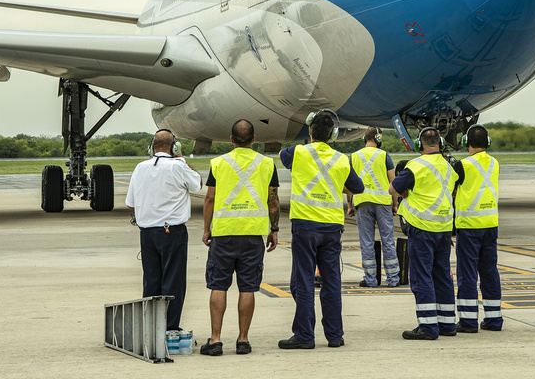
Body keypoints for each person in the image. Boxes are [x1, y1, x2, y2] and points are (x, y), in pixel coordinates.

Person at [276, 110, 364, 350]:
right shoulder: (342, 159)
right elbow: (358, 187)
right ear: (333, 134)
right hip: (332, 228)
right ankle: (335, 335)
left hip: (305, 225)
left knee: (303, 281)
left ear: (310, 131)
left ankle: (305, 335)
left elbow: (282, 155)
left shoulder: (299, 152)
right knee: (332, 281)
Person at [199, 120, 280, 356]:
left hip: (224, 233)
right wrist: (274, 230)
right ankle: (243, 340)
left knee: (218, 285)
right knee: (248, 287)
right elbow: (272, 200)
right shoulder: (267, 163)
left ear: (231, 140)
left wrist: (207, 229)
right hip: (254, 234)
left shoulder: (218, 163)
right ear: (254, 139)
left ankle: (215, 340)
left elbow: (210, 199)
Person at [125, 129, 202, 332]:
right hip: (171, 231)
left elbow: (130, 203)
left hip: (147, 232)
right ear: (174, 147)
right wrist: (182, 159)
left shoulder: (140, 167)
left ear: (152, 147)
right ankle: (169, 327)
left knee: (151, 281)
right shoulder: (178, 166)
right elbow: (197, 184)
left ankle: (150, 328)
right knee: (173, 281)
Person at [389, 127, 460, 340]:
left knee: (422, 277)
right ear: (440, 144)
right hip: (444, 228)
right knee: (442, 275)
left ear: (420, 145)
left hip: (422, 228)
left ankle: (428, 326)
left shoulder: (416, 165)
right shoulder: (449, 167)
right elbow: (453, 189)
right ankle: (447, 323)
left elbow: (393, 189)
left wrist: (406, 191)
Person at [454, 124, 502, 332]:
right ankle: (494, 320)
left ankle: (468, 320)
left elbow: (452, 191)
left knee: (467, 274)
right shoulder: (495, 163)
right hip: (490, 225)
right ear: (487, 143)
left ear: (466, 143)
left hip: (469, 226)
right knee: (490, 272)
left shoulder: (462, 165)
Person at [346, 127, 399, 287]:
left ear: (364, 139)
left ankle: (370, 279)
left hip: (362, 202)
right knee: (388, 240)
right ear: (378, 139)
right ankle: (393, 279)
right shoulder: (384, 156)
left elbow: (349, 183)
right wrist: (395, 204)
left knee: (367, 241)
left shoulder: (354, 156)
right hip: (382, 203)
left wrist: (350, 204)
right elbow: (393, 181)